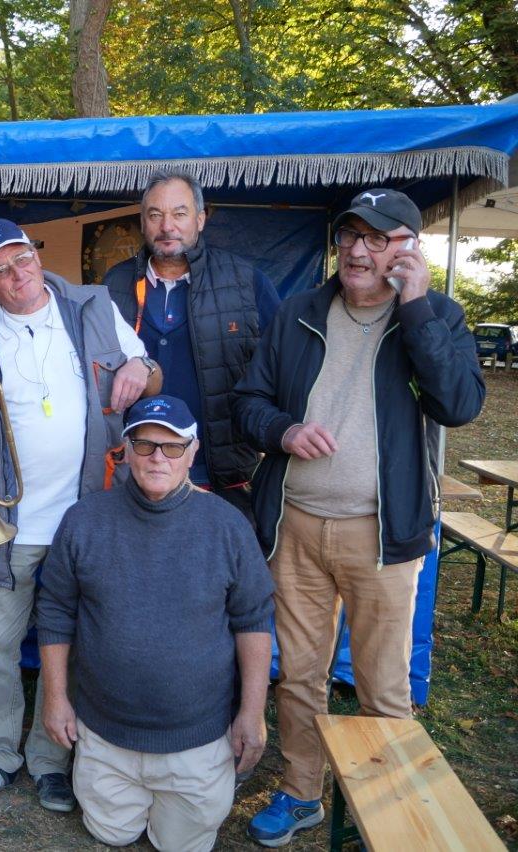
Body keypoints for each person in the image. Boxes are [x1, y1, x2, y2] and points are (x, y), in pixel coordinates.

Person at [234, 188, 484, 846]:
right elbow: (249, 401)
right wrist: (283, 431)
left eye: (378, 238)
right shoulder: (298, 313)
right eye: (351, 236)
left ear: (407, 249)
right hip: (297, 527)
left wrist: (417, 307)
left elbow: (457, 403)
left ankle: (389, 801)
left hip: (382, 533)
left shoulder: (435, 319)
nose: (358, 249)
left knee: (381, 682)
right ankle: (300, 789)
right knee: (303, 674)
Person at [0, 217, 159, 812]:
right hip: (5, 528)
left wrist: (141, 369)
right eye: (1, 270)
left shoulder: (93, 307)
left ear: (35, 256)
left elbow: (150, 373)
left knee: (72, 647)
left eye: (22, 259)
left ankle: (50, 759)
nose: (18, 275)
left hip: (88, 518)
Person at [36, 395, 274, 851]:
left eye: (172, 447)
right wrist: (56, 699)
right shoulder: (83, 520)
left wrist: (251, 713)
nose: (158, 458)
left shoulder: (227, 526)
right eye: (145, 446)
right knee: (111, 833)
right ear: (125, 449)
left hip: (197, 740)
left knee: (179, 845)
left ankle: (207, 783)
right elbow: (55, 613)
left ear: (193, 451)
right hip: (105, 734)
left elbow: (254, 620)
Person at [104, 169, 280, 514]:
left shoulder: (245, 282)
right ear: (142, 222)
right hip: (138, 470)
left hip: (221, 475)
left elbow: (280, 369)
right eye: (155, 215)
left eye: (179, 214)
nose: (167, 226)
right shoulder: (114, 283)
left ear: (200, 219)